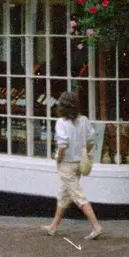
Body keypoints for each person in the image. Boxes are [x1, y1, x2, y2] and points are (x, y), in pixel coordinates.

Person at [45, 91, 103, 240]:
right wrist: (85, 153)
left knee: (78, 196)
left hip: (67, 164)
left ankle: (96, 227)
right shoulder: (84, 120)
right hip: (79, 164)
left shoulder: (61, 123)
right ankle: (53, 227)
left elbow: (63, 144)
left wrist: (58, 158)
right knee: (64, 194)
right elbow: (91, 140)